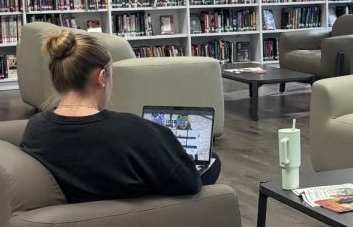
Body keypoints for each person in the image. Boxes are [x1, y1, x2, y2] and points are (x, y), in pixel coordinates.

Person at [20, 29, 221, 204]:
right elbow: (188, 183)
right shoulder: (134, 132)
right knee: (213, 161)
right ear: (101, 78)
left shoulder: (35, 129)